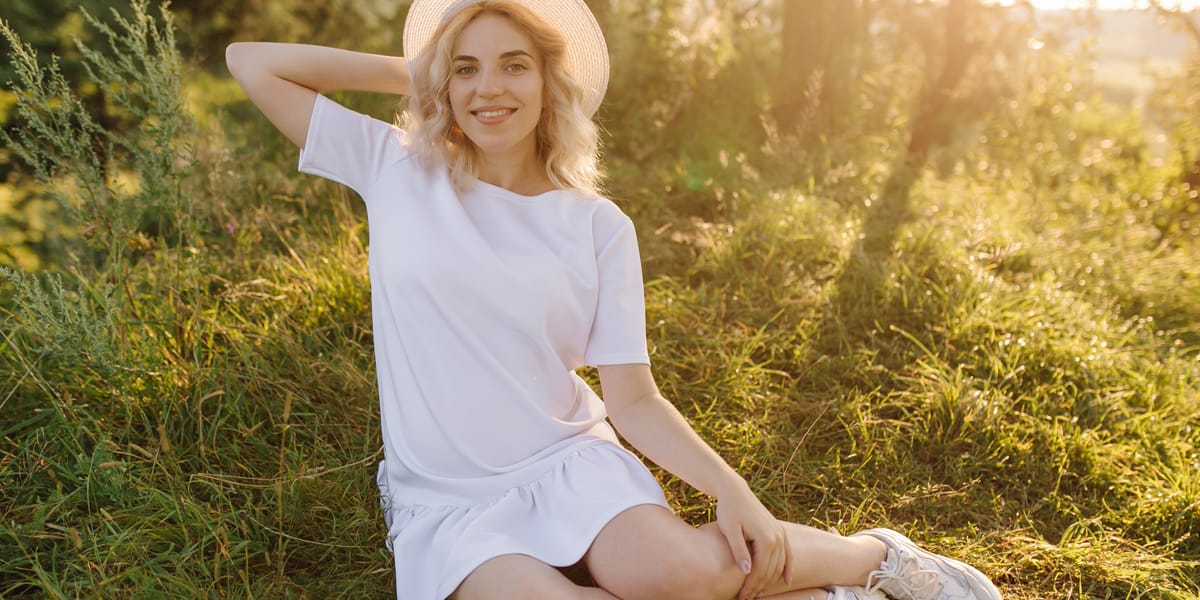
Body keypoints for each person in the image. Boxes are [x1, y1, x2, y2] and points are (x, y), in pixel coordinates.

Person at [225, 1, 1004, 598]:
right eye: (466, 68)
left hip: (566, 463)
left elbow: (632, 400)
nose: (488, 89)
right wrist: (420, 70)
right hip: (449, 504)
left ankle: (878, 559)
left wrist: (731, 492)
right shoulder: (397, 168)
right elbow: (250, 61)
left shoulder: (596, 225)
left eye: (513, 66)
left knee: (686, 574)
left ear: (550, 81)